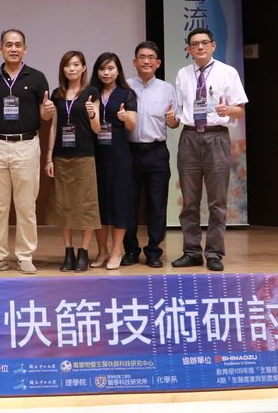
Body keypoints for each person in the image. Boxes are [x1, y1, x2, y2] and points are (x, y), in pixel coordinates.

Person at [172, 27, 249, 272]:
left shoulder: (228, 72)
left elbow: (240, 110)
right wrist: (170, 118)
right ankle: (192, 251)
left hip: (217, 137)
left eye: (205, 43)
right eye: (195, 44)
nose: (200, 47)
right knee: (189, 201)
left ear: (213, 46)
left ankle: (214, 253)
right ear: (188, 49)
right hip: (189, 138)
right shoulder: (183, 74)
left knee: (217, 201)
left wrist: (229, 111)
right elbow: (177, 112)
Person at [0, 29, 54, 274]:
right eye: (8, 45)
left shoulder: (37, 77)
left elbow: (44, 115)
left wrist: (48, 111)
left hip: (27, 145)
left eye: (18, 45)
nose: (13, 49)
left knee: (25, 205)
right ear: (0, 49)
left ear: (25, 49)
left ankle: (24, 256)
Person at [123, 41, 179, 268]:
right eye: (141, 57)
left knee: (157, 204)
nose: (146, 61)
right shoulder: (125, 87)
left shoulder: (167, 89)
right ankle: (131, 250)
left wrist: (173, 120)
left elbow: (174, 123)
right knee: (129, 204)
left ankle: (154, 251)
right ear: (134, 62)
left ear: (158, 63)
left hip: (156, 152)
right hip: (129, 152)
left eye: (151, 57)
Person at [45, 51, 101, 273]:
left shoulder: (91, 92)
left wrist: (92, 114)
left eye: (76, 65)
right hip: (61, 157)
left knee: (86, 206)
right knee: (64, 206)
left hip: (85, 156)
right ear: (63, 69)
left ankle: (83, 253)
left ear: (84, 68)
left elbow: (96, 129)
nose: (72, 69)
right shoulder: (58, 94)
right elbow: (53, 126)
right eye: (68, 65)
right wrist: (49, 156)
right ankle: (68, 252)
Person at [89, 52, 137, 270]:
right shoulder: (91, 93)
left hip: (119, 154)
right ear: (96, 72)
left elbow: (132, 126)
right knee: (100, 205)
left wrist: (125, 117)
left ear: (118, 71)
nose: (106, 73)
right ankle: (101, 251)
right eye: (102, 69)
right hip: (96, 154)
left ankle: (117, 251)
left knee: (119, 203)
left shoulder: (127, 94)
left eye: (110, 68)